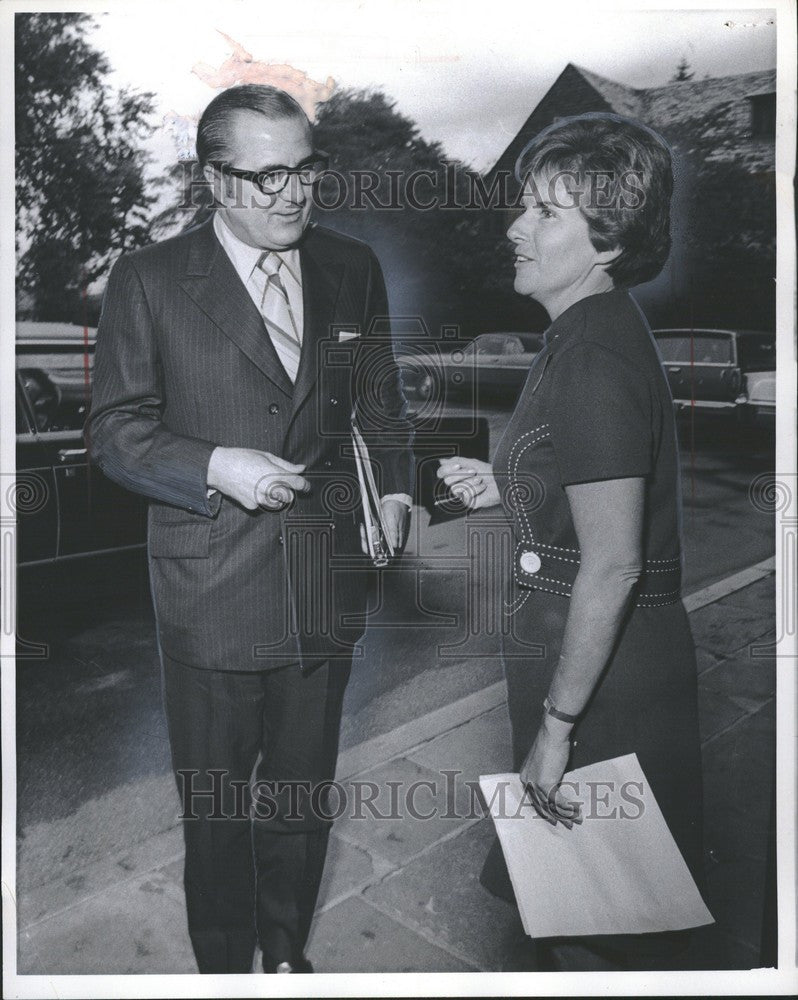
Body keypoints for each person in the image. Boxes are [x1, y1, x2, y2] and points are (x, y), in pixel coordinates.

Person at [86, 83, 414, 975]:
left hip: (324, 587)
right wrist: (213, 466)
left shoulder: (351, 268)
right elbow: (114, 432)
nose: (293, 195)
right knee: (220, 814)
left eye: (305, 170)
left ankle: (285, 953)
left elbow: (379, 406)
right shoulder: (150, 280)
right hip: (211, 594)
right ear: (214, 181)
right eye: (267, 178)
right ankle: (227, 969)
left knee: (304, 804)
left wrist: (392, 491)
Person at [438, 113, 704, 971]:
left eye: (545, 213)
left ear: (608, 243)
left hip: (603, 691)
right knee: (580, 907)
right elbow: (587, 494)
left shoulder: (591, 358)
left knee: (595, 920)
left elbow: (616, 560)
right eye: (525, 205)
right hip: (606, 671)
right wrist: (510, 490)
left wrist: (558, 727)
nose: (517, 226)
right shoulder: (588, 333)